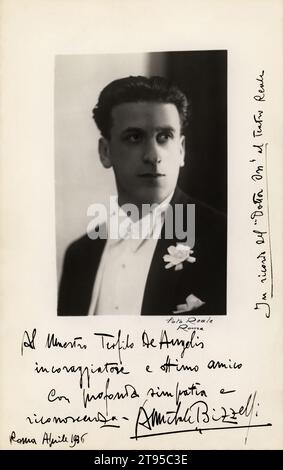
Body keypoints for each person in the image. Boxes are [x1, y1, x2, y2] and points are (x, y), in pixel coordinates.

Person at [58, 75, 226, 316]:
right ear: (105, 152)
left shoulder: (224, 242)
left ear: (181, 150)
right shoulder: (79, 257)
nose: (152, 155)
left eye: (164, 137)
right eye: (134, 138)